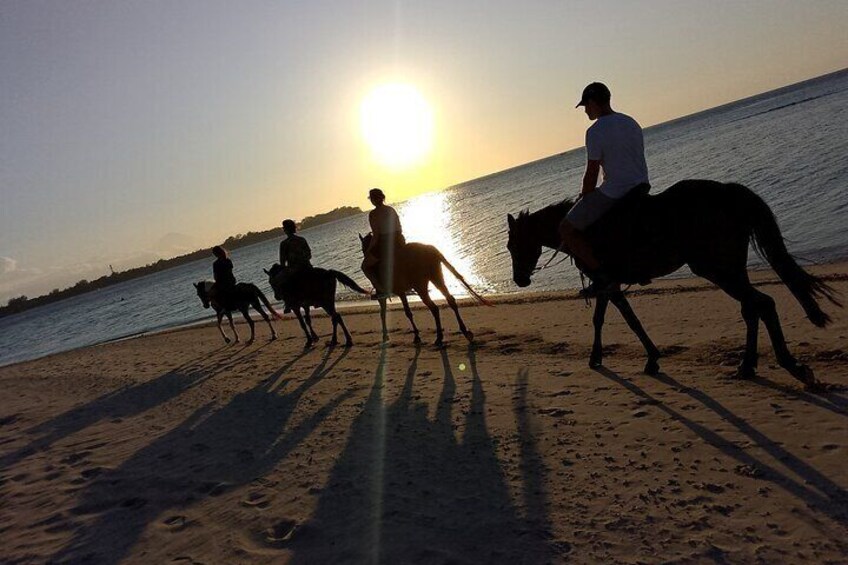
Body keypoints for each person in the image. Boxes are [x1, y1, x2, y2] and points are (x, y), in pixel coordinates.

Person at [559, 82, 650, 297]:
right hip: (642, 185)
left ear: (592, 102)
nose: (586, 111)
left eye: (586, 106)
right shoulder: (630, 122)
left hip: (616, 191)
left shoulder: (595, 131)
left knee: (566, 228)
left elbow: (592, 171)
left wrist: (585, 195)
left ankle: (601, 276)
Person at [362, 188, 405, 299]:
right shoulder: (391, 209)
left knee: (365, 266)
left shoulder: (373, 214)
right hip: (399, 239)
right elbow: (399, 227)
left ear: (372, 200)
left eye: (371, 198)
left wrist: (368, 250)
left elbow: (376, 235)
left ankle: (382, 290)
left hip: (386, 243)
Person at [277, 219, 313, 312]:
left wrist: (286, 269)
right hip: (307, 266)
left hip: (294, 270)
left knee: (280, 282)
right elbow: (309, 255)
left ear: (285, 230)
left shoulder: (284, 244)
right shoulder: (301, 239)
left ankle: (288, 304)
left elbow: (282, 262)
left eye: (284, 228)